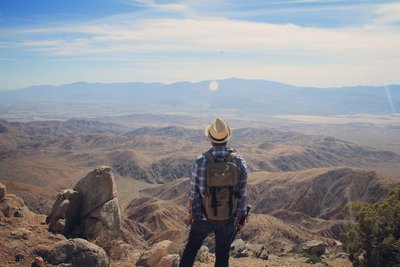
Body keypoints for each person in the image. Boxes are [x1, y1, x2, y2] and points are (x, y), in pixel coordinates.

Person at [179, 118, 248, 267]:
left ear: (210, 139)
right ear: (227, 138)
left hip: (203, 217)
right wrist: (241, 216)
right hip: (228, 217)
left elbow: (194, 192)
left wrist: (192, 212)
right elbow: (242, 193)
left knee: (191, 249)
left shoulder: (201, 161)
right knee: (222, 256)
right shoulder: (239, 162)